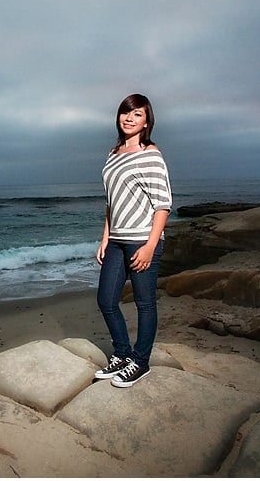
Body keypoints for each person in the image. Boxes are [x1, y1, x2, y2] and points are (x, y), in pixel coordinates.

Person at [94, 93, 172, 388]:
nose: (130, 118)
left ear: (147, 121)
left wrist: (151, 246)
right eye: (126, 113)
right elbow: (111, 202)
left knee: (144, 303)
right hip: (115, 241)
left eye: (137, 114)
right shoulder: (113, 154)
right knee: (106, 300)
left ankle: (140, 362)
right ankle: (122, 353)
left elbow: (162, 204)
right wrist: (104, 238)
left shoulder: (151, 154)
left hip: (142, 240)